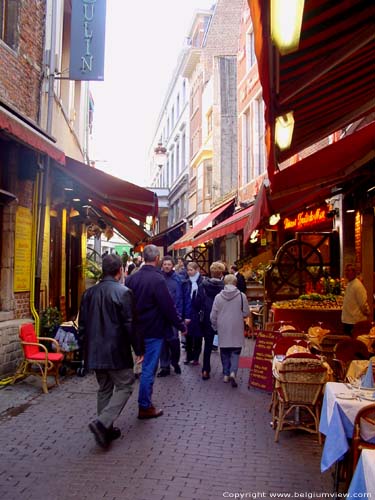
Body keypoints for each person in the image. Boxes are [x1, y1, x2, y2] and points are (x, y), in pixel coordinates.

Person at [79, 254, 144, 449]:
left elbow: (82, 326)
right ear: (120, 271)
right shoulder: (123, 292)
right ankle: (102, 422)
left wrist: (84, 351)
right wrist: (139, 348)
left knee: (105, 388)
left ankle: (105, 431)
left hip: (95, 350)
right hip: (116, 350)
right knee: (125, 385)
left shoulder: (88, 294)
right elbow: (130, 324)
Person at [126, 244, 187, 419]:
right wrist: (181, 325)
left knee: (142, 365)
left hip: (135, 330)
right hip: (153, 329)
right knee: (149, 368)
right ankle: (144, 406)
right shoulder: (158, 280)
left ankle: (144, 403)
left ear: (144, 257)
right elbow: (168, 306)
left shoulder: (131, 279)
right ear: (157, 259)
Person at [210, 274, 250, 387]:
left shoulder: (218, 297)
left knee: (225, 352)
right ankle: (233, 372)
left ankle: (226, 374)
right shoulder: (242, 296)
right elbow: (246, 313)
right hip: (237, 327)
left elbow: (213, 315)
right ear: (235, 283)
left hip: (223, 327)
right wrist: (239, 315)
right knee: (236, 352)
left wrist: (214, 325)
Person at [157, 255, 189, 377]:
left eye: (169, 264)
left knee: (174, 341)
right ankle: (164, 366)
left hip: (175, 315)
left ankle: (175, 362)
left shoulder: (179, 279)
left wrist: (183, 315)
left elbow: (183, 298)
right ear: (162, 265)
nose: (166, 266)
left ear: (173, 265)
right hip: (161, 315)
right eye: (165, 264)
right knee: (163, 342)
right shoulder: (158, 278)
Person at [199, 261, 226, 380]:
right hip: (222, 317)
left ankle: (205, 370)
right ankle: (226, 370)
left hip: (207, 317)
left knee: (208, 345)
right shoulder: (225, 287)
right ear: (221, 273)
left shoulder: (203, 285)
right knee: (225, 345)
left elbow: (197, 301)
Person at [184, 261, 204, 366]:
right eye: (188, 270)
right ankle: (189, 356)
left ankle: (196, 357)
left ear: (196, 270)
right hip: (189, 312)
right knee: (188, 336)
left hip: (198, 313)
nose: (189, 272)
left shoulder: (202, 281)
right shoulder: (186, 282)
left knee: (197, 336)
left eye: (191, 270)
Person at [341, 263, 370, 336]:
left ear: (354, 272)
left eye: (349, 271)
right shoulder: (350, 284)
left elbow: (363, 304)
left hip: (354, 321)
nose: (346, 273)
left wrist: (367, 313)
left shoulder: (358, 286)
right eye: (346, 270)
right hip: (348, 320)